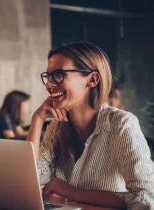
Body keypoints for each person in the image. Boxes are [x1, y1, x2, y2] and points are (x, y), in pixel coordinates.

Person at [27, 42, 154, 209]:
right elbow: (34, 179)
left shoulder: (121, 124)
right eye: (48, 76)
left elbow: (145, 197)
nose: (49, 84)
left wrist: (74, 193)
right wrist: (37, 118)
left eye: (58, 75)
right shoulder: (57, 126)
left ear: (92, 79)